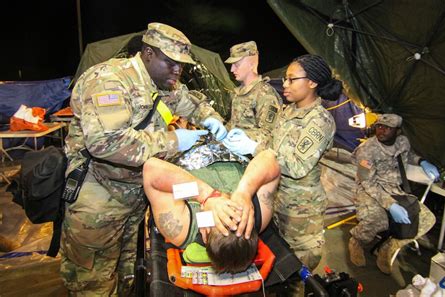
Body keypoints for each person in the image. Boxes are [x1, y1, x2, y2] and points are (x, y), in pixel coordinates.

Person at [60, 23, 227, 296]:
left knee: (128, 271)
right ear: (148, 53)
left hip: (133, 193)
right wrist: (175, 141)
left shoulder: (162, 83)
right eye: (171, 62)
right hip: (99, 195)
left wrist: (212, 119)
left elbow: (190, 102)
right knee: (92, 280)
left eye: (181, 64)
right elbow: (106, 143)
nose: (177, 71)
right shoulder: (109, 80)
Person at [224, 54, 343, 273]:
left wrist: (253, 148)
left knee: (296, 272)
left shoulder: (319, 121)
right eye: (285, 79)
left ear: (312, 82)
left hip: (300, 215)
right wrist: (248, 139)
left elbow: (297, 165)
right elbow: (272, 142)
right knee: (275, 265)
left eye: (291, 79)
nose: (285, 85)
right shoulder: (288, 111)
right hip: (276, 201)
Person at [143, 149, 280, 273]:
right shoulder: (258, 216)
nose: (229, 210)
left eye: (223, 217)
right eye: (237, 214)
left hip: (191, 152)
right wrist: (244, 192)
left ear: (205, 233)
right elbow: (269, 157)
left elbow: (151, 170)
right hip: (229, 147)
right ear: (249, 223)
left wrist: (205, 195)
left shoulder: (182, 228)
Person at [348, 113, 440, 274]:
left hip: (394, 190)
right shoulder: (367, 150)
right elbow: (366, 182)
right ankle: (357, 241)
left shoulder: (402, 142)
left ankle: (388, 247)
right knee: (378, 219)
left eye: (387, 128)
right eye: (379, 126)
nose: (381, 131)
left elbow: (408, 154)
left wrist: (422, 161)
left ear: (397, 131)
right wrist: (391, 206)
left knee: (426, 219)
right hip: (368, 191)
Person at [223, 41, 282, 153]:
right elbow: (235, 123)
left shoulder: (265, 94)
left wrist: (242, 138)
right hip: (234, 152)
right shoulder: (238, 92)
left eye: (236, 64)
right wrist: (223, 131)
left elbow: (269, 134)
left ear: (251, 64)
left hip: (253, 158)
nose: (232, 69)